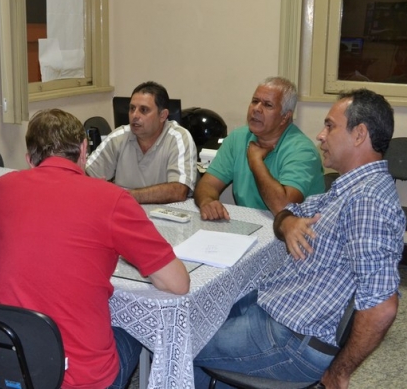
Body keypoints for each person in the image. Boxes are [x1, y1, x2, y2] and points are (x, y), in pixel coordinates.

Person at [193, 88, 405, 388]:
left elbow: (383, 307)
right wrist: (289, 221)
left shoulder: (367, 202)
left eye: (330, 126)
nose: (320, 135)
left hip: (292, 338)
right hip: (279, 308)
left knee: (181, 338)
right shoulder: (350, 188)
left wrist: (340, 372)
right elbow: (287, 213)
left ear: (359, 134)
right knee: (202, 312)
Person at [0, 109, 190, 389]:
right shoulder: (112, 199)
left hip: (13, 365)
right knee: (137, 329)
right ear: (84, 149)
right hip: (79, 377)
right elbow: (178, 283)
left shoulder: (3, 188)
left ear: (29, 159)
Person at [194, 77, 325, 220]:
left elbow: (284, 209)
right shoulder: (238, 138)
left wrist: (256, 162)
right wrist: (207, 201)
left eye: (268, 105)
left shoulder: (302, 151)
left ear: (285, 117)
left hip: (295, 234)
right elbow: (207, 184)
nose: (256, 109)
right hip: (250, 226)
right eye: (255, 101)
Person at [86, 81, 198, 204]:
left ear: (162, 115)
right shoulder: (119, 137)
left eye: (143, 110)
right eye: (132, 108)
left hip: (167, 216)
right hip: (126, 213)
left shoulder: (178, 138)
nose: (134, 115)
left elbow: (178, 190)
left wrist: (123, 196)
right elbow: (85, 175)